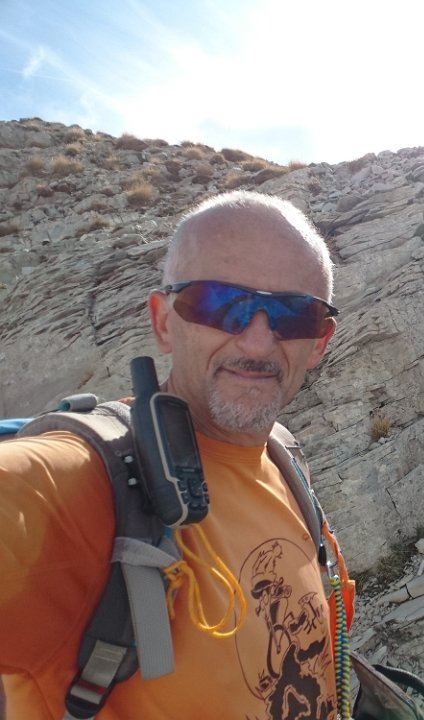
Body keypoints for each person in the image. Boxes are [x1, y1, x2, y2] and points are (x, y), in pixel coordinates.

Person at [0, 190, 342, 719]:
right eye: (219, 303)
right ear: (163, 322)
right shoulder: (84, 482)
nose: (257, 343)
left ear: (318, 342)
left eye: (294, 315)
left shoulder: (284, 461)